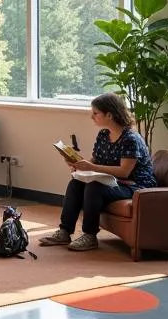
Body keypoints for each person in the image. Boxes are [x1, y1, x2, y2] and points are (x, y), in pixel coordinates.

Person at [38, 92, 158, 252]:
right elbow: (94, 161)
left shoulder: (130, 139)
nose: (92, 117)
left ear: (109, 115)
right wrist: (77, 164)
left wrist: (91, 167)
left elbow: (124, 172)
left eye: (95, 113)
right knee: (75, 183)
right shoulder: (103, 135)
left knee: (94, 187)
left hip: (134, 185)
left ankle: (90, 235)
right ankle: (64, 231)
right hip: (111, 181)